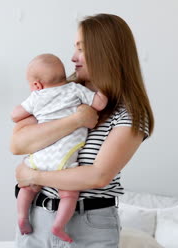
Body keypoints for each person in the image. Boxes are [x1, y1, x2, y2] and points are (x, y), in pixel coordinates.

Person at [11, 13, 155, 248]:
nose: (73, 57)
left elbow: (97, 176)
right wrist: (77, 120)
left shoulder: (130, 114)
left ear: (105, 53)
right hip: (37, 219)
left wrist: (34, 176)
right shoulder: (57, 93)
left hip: (89, 226)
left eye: (82, 49)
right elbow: (18, 144)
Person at [11, 53, 107, 243]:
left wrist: (33, 107)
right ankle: (59, 226)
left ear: (37, 84)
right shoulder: (75, 90)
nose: (74, 57)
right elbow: (99, 103)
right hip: (64, 157)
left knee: (27, 187)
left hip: (40, 158)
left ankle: (22, 217)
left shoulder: (36, 97)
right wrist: (104, 91)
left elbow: (15, 115)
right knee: (69, 193)